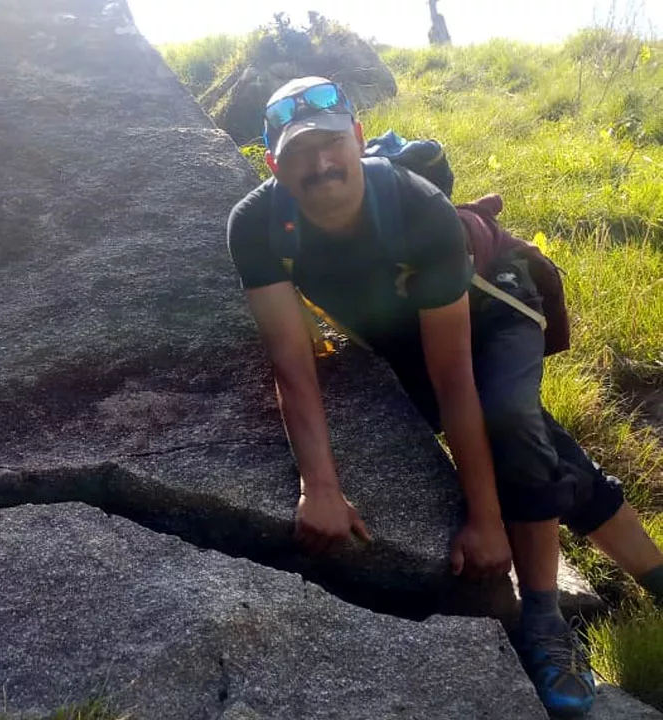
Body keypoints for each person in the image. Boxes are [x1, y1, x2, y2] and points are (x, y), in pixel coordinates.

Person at [226, 76, 663, 718]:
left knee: (510, 418)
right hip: (408, 333)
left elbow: (456, 376)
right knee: (546, 448)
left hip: (493, 300)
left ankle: (543, 619)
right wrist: (318, 485)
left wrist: (487, 524)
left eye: (330, 145)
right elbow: (292, 365)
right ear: (273, 163)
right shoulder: (257, 225)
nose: (319, 165)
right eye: (297, 153)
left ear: (357, 139)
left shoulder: (412, 203)